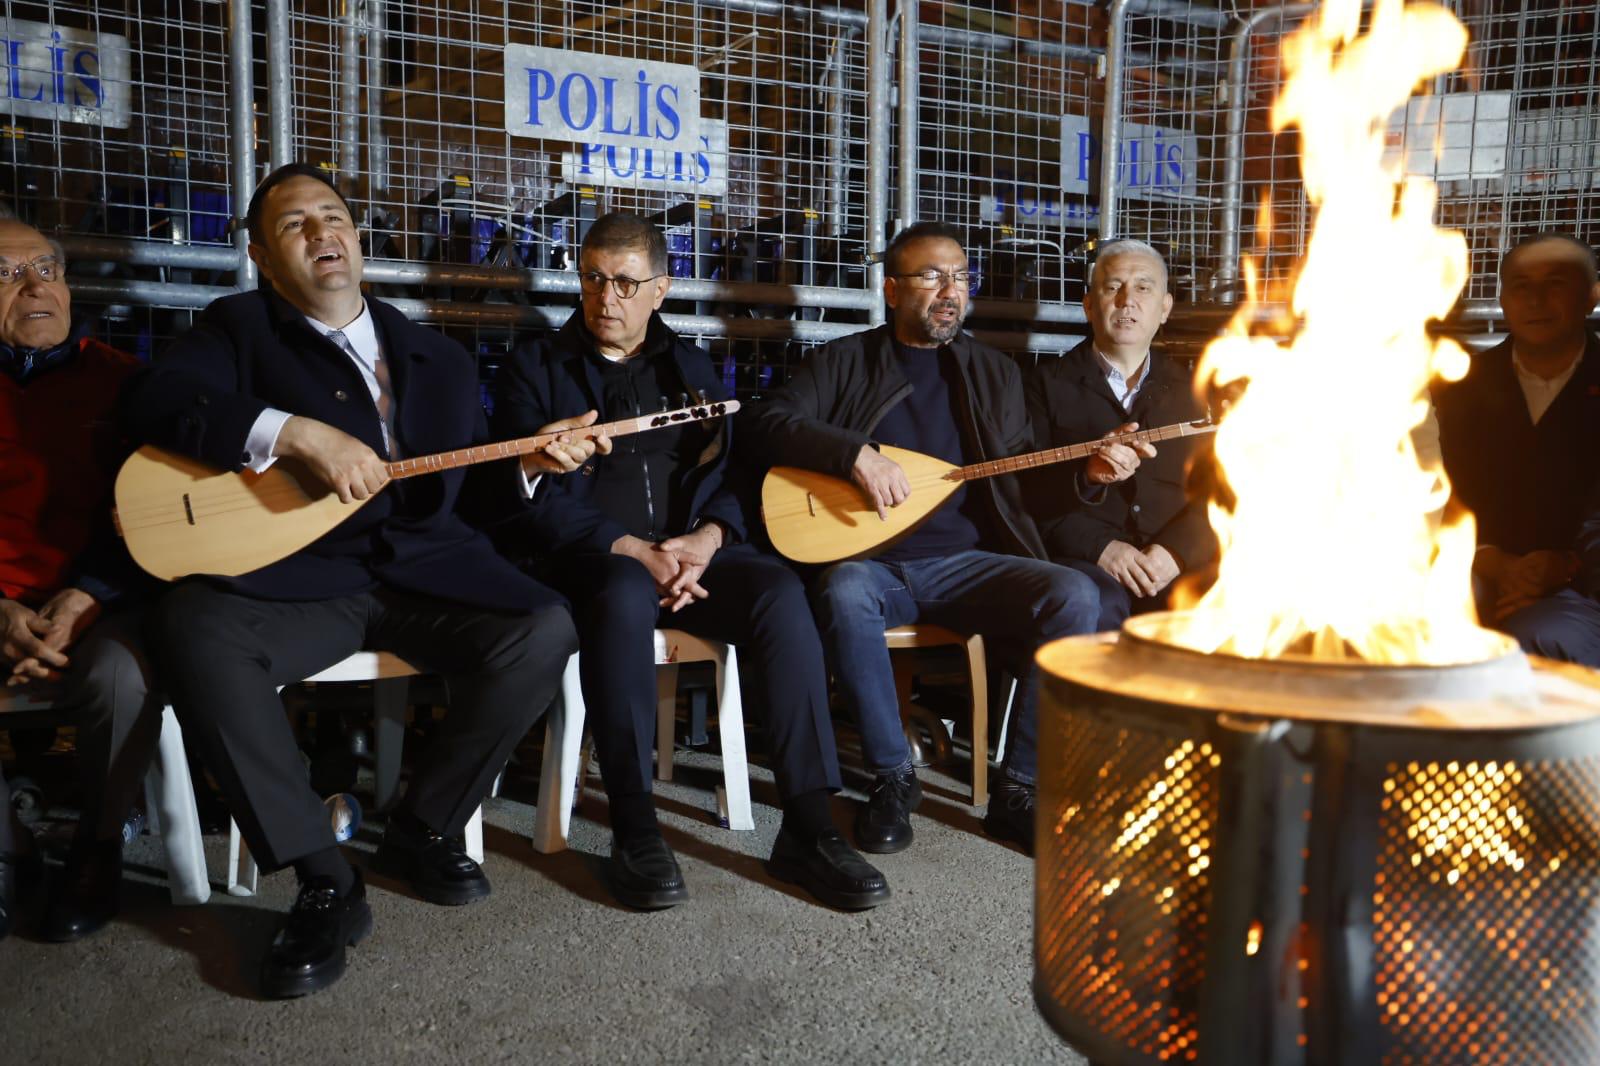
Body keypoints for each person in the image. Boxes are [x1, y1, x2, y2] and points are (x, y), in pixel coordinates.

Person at [119, 164, 587, 997]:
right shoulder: (235, 329)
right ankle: (323, 872)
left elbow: (473, 498)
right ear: (264, 256)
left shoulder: (436, 354)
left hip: (424, 575)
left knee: (542, 626)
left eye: (332, 217)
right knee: (193, 623)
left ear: (359, 238)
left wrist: (531, 466)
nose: (321, 234)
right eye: (294, 226)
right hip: (303, 581)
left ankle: (423, 825)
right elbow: (152, 400)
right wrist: (291, 433)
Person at [493, 213, 888, 911]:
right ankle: (635, 825)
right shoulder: (537, 367)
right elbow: (520, 498)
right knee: (619, 592)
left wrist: (706, 541)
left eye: (623, 282)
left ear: (661, 288)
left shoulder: (693, 366)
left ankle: (807, 824)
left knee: (777, 592)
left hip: (687, 557)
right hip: (593, 558)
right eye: (591, 279)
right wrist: (633, 550)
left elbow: (734, 475)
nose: (604, 298)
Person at [746, 220, 1101, 858]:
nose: (951, 291)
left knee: (1073, 593)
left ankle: (1018, 789)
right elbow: (766, 422)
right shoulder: (845, 360)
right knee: (846, 591)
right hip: (872, 563)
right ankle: (892, 777)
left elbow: (1021, 483)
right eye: (932, 276)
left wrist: (1090, 475)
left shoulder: (993, 373)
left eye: (961, 278)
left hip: (968, 564)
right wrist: (854, 454)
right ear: (890, 289)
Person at [0, 213, 165, 942]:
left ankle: (96, 850)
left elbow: (161, 515)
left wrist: (87, 594)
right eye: (7, 274)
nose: (35, 287)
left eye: (47, 269)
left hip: (101, 597)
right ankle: (9, 851)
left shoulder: (127, 384)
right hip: (2, 601)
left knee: (121, 676)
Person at [1024, 238, 1216, 630]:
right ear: (1089, 305)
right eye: (1112, 287)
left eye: (1143, 288)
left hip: (1176, 562)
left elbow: (1224, 491)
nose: (1127, 301)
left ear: (1164, 309)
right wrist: (1101, 548)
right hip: (1084, 563)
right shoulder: (1041, 385)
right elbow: (1022, 492)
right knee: (1095, 602)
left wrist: (1176, 552)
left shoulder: (1199, 390)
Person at [1434, 234, 1600, 656]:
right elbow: (1433, 490)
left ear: (1591, 296)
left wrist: (1564, 568)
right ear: (1504, 299)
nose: (1536, 299)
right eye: (1521, 286)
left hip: (1581, 592)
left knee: (1536, 637)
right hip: (1471, 568)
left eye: (1556, 284)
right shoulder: (1460, 383)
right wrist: (1490, 560)